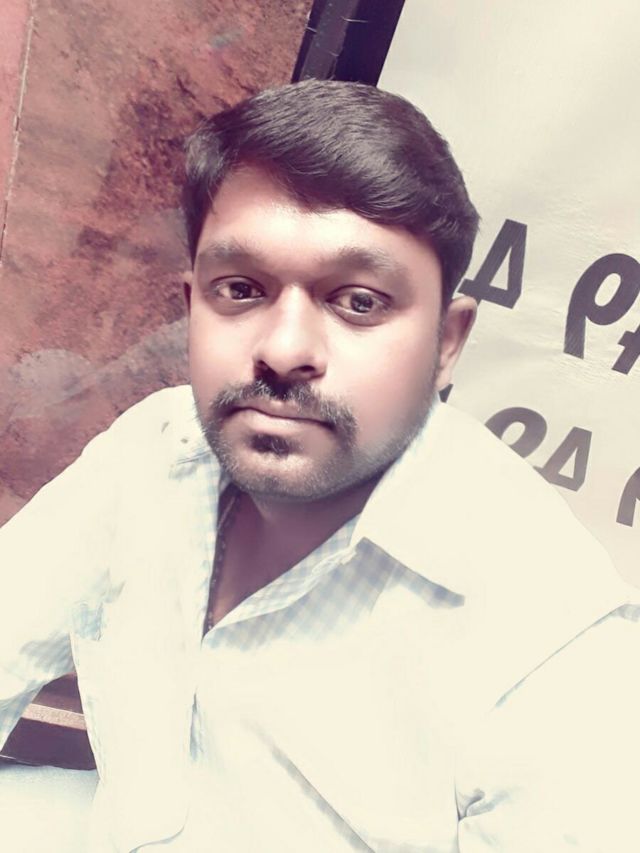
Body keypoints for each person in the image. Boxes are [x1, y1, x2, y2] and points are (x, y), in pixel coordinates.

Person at [1, 78, 638, 852]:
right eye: (241, 289)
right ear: (191, 305)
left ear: (446, 343)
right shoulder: (155, 449)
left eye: (358, 301)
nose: (283, 348)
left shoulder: (550, 644)